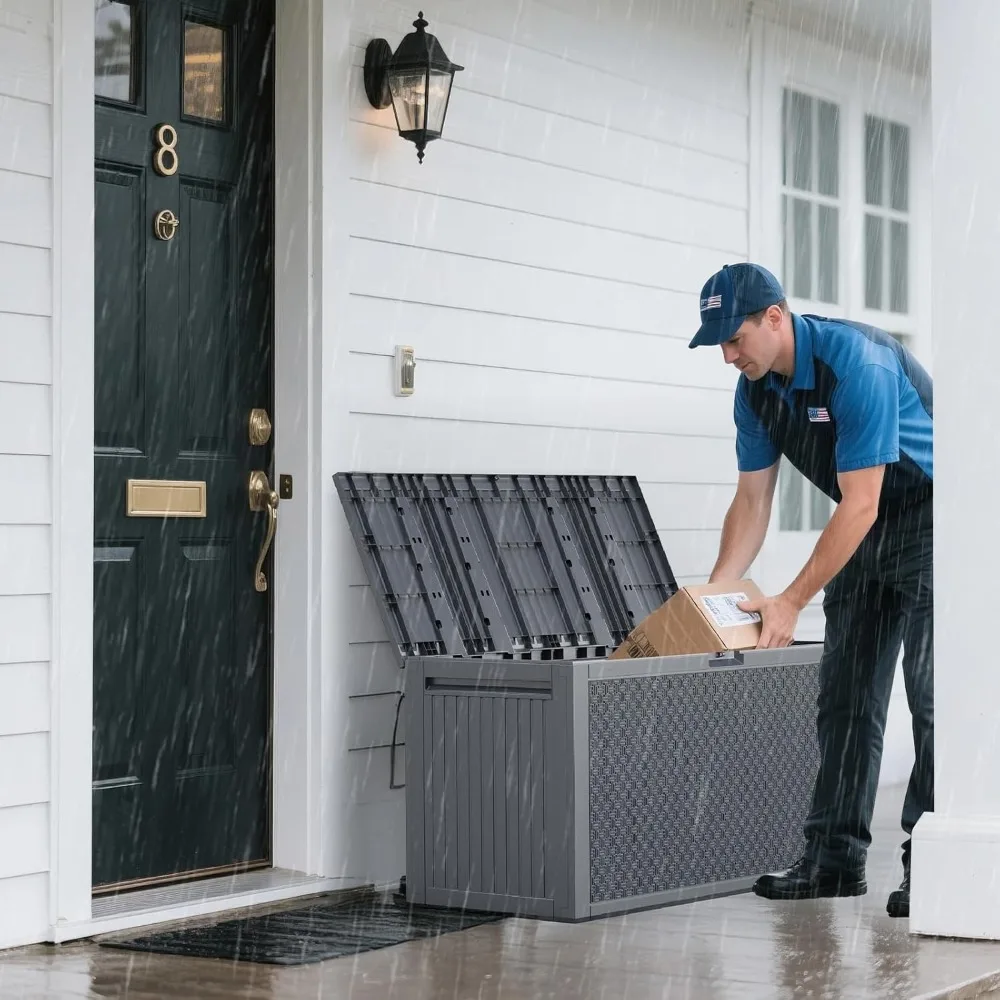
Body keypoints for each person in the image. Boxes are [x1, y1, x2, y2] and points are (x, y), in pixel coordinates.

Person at [688, 262, 933, 919]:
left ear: (775, 317)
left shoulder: (860, 365)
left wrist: (791, 599)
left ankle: (933, 867)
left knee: (932, 691)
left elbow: (860, 503)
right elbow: (752, 499)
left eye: (734, 339)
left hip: (940, 517)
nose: (727, 356)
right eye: (718, 343)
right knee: (846, 695)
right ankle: (834, 861)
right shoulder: (756, 389)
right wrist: (712, 598)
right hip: (868, 524)